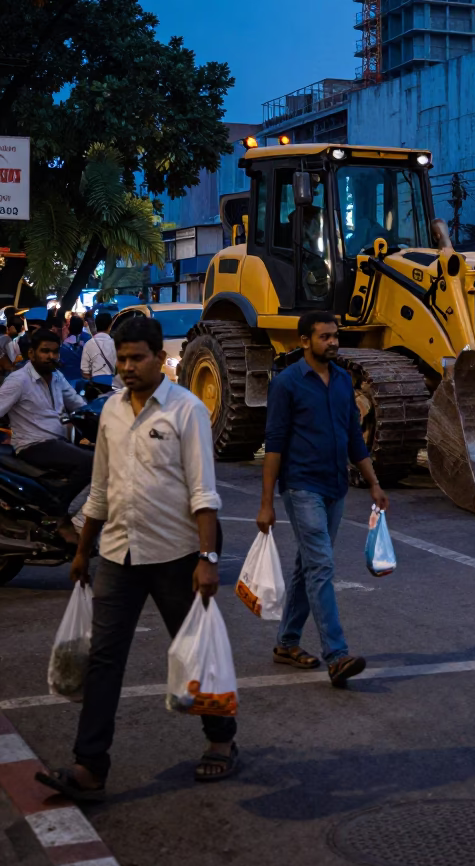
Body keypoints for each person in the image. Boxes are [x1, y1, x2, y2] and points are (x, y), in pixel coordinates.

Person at [35, 315, 238, 804]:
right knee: (104, 660)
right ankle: (89, 766)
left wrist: (207, 559)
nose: (126, 367)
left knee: (192, 650)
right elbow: (100, 489)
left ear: (157, 359)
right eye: (121, 358)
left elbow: (203, 493)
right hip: (117, 555)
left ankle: (221, 738)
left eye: (136, 358)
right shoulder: (110, 412)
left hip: (176, 555)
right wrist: (83, 550)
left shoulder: (186, 411)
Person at [257, 310, 388, 687]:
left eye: (335, 336)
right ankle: (336, 655)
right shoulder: (287, 384)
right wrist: (266, 502)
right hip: (301, 487)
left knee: (308, 567)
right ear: (304, 342)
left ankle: (286, 642)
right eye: (324, 337)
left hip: (335, 487)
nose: (332, 342)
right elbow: (275, 444)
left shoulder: (344, 380)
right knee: (321, 567)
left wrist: (374, 483)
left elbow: (353, 436)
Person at [0, 329, 92, 542]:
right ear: (31, 354)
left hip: (57, 443)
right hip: (33, 445)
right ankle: (59, 513)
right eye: (45, 352)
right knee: (90, 462)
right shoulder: (18, 380)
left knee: (103, 458)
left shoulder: (57, 377)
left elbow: (78, 406)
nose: (51, 356)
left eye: (55, 352)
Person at [80, 311, 118, 389]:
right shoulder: (115, 344)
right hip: (113, 385)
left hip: (96, 387)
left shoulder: (88, 344)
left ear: (96, 325)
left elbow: (85, 372)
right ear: (110, 326)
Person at [59, 315, 89, 383]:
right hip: (83, 378)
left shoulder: (64, 343)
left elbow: (61, 362)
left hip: (67, 378)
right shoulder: (87, 338)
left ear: (70, 327)